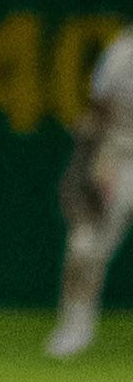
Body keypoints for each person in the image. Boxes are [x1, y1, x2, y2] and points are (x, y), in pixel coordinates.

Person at [45, 27, 133, 359]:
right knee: (86, 244)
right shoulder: (123, 52)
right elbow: (98, 107)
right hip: (119, 156)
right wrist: (91, 158)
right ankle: (75, 327)